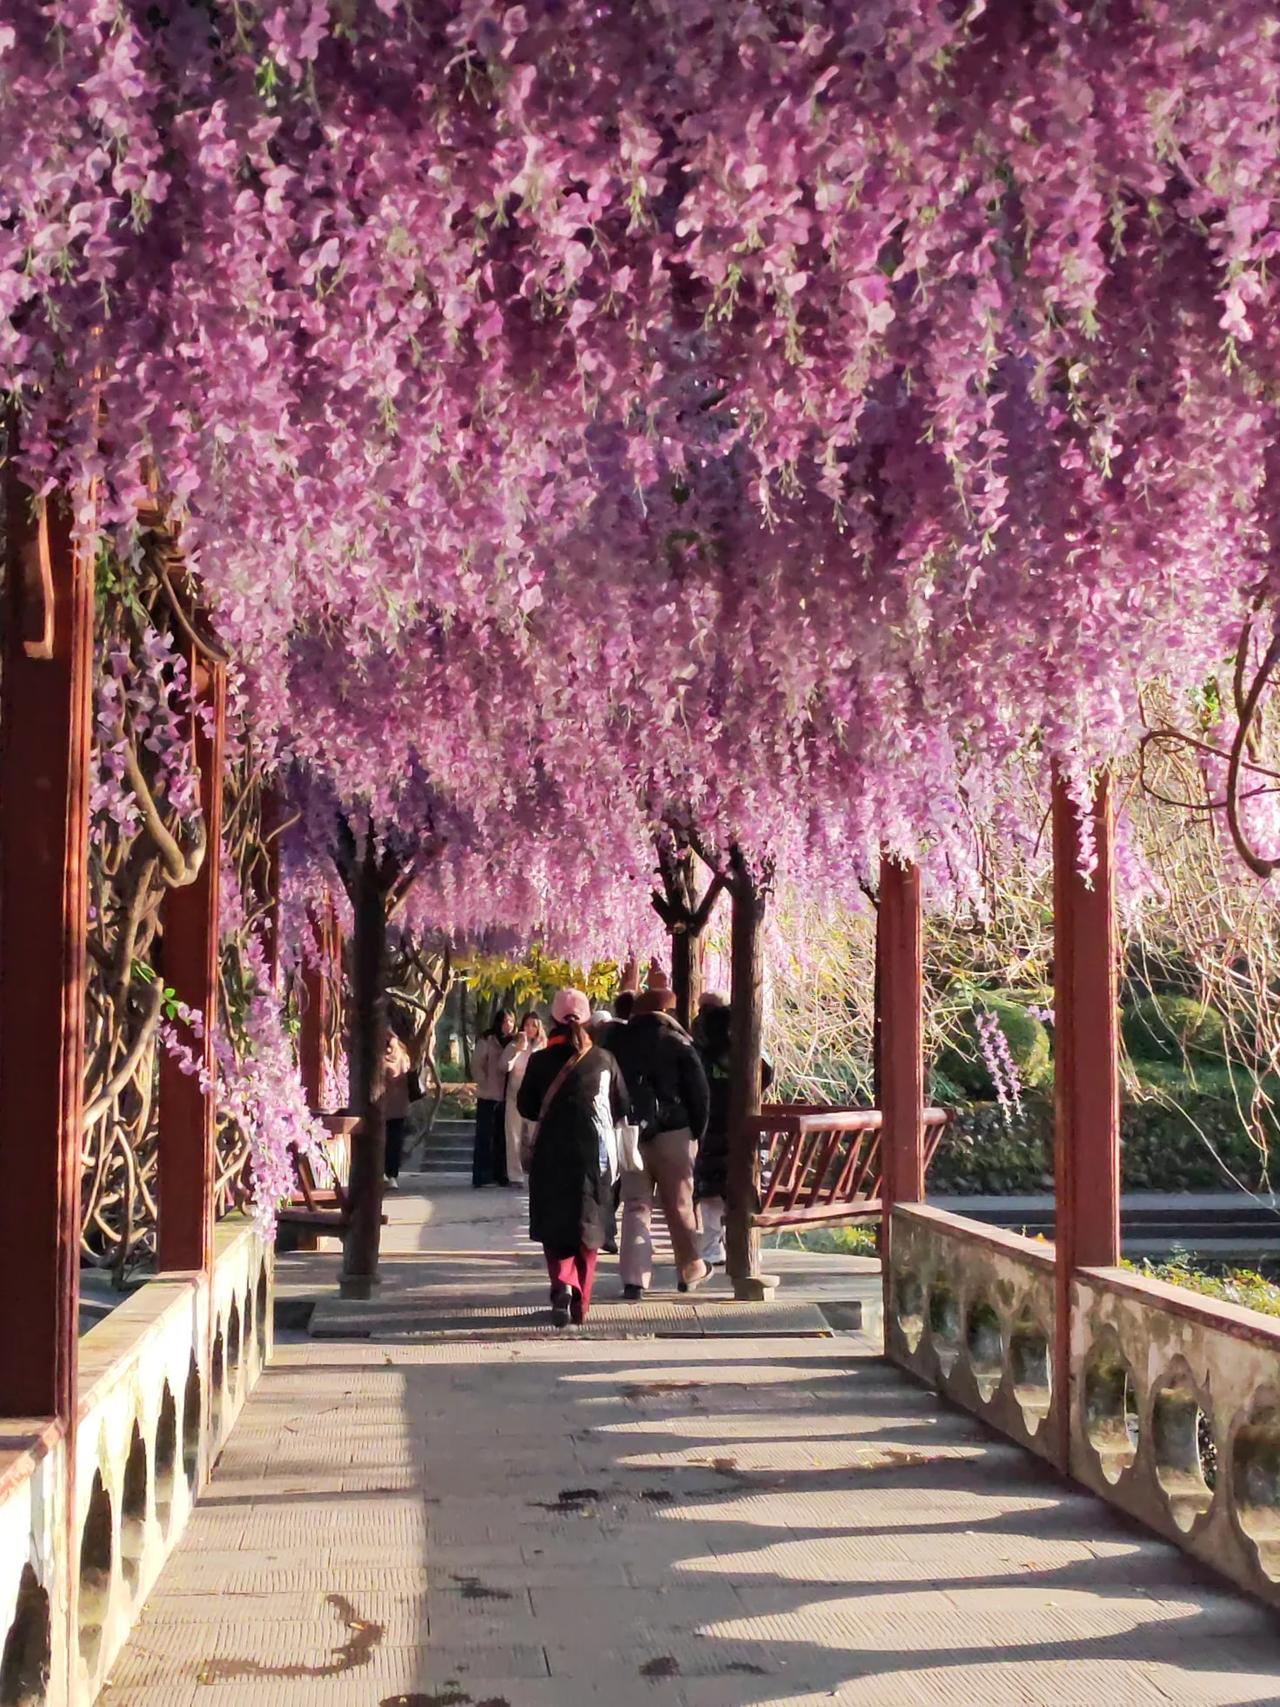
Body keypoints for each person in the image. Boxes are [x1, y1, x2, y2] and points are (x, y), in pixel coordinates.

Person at [518, 988, 627, 1327]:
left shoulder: (538, 1061)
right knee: (589, 1226)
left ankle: (562, 1283)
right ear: (588, 1017)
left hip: (551, 1153)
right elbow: (622, 1105)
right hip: (595, 1157)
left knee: (555, 1226)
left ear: (553, 1020)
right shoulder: (604, 1060)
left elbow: (527, 1106)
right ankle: (582, 1299)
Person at [608, 987, 711, 1299]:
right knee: (679, 1205)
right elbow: (699, 1094)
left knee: (635, 1205)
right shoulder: (678, 1042)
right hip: (673, 1133)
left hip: (631, 1133)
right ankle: (690, 1268)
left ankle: (634, 1279)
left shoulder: (617, 1041)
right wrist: (696, 1133)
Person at [694, 1002, 774, 1264]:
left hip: (710, 1131)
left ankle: (711, 1248)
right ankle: (747, 1245)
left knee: (710, 1195)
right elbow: (769, 1073)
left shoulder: (702, 1056)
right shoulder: (751, 1056)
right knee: (744, 1188)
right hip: (746, 1131)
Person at [471, 1008, 515, 1187]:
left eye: (511, 1021)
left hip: (507, 1096)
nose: (509, 1025)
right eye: (505, 1021)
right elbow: (476, 1064)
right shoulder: (487, 1039)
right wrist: (484, 1083)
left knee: (502, 1137)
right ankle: (482, 1175)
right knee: (485, 1136)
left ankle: (500, 1174)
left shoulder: (515, 1042)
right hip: (488, 1095)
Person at [501, 1011, 545, 1185]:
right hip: (515, 1095)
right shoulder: (514, 1045)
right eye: (527, 1025)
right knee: (513, 1136)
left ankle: (537, 1173)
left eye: (534, 1025)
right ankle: (515, 1175)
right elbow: (504, 1066)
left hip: (536, 1097)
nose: (530, 1029)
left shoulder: (544, 1046)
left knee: (536, 1136)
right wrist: (517, 1051)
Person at [381, 1029, 414, 1190]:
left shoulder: (378, 1056)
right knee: (395, 1141)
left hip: (382, 1105)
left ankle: (383, 1172)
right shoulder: (402, 1052)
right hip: (400, 1106)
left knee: (382, 1140)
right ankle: (392, 1175)